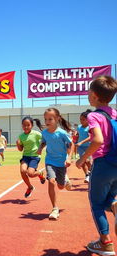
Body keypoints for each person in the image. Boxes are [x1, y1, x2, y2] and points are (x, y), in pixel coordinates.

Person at [76, 75, 117, 256]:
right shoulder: (115, 113)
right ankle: (115, 205)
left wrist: (83, 158)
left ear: (93, 95)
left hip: (103, 164)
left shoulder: (94, 115)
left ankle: (105, 243)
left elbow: (98, 140)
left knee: (96, 204)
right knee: (110, 199)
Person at [37, 108, 74, 220]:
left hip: (61, 162)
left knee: (60, 186)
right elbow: (44, 141)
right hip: (50, 161)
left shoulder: (62, 133)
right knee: (52, 181)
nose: (47, 121)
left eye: (50, 119)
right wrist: (40, 148)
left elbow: (72, 145)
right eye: (45, 119)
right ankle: (54, 208)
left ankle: (65, 180)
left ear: (57, 119)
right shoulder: (44, 133)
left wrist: (69, 158)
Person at [16, 116, 46, 198]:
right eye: (24, 125)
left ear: (32, 125)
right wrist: (18, 144)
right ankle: (30, 187)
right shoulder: (21, 136)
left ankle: (40, 173)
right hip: (25, 156)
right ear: (22, 126)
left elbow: (45, 140)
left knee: (30, 174)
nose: (26, 127)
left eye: (28, 125)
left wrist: (41, 149)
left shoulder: (36, 134)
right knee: (22, 170)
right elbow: (20, 149)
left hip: (35, 157)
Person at [75, 110, 92, 183]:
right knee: (83, 161)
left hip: (88, 147)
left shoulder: (89, 127)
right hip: (80, 147)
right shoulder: (79, 127)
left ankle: (91, 173)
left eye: (83, 119)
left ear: (88, 120)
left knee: (88, 161)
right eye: (80, 119)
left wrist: (81, 142)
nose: (81, 121)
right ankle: (87, 175)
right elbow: (78, 134)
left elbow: (90, 137)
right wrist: (76, 139)